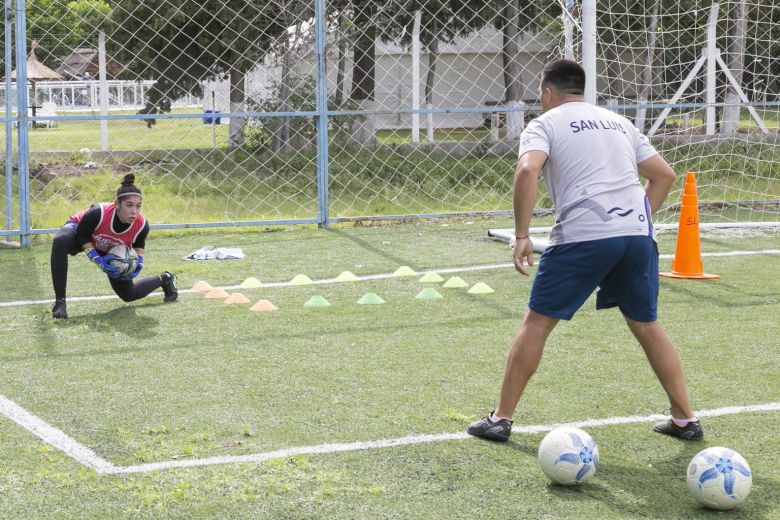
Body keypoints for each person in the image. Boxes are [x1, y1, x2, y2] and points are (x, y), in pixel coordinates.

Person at [467, 60, 703, 442]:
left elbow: (527, 171)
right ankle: (685, 419)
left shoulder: (544, 123)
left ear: (546, 92)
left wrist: (523, 233)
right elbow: (664, 175)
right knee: (646, 323)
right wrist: (631, 220)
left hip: (583, 235)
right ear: (582, 89)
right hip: (638, 235)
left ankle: (500, 419)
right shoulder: (619, 123)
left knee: (537, 323)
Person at [50, 173, 178, 319]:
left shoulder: (142, 225)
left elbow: (139, 243)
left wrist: (139, 262)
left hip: (111, 249)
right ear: (117, 204)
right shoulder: (98, 213)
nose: (134, 211)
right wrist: (96, 259)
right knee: (60, 241)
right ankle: (60, 302)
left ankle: (166, 278)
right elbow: (82, 234)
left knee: (129, 294)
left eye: (138, 206)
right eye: (129, 205)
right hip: (82, 232)